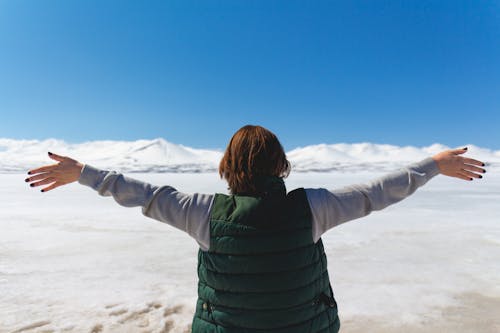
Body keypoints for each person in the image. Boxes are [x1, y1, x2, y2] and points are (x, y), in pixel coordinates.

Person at [26, 125, 486, 333]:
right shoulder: (315, 207)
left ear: (227, 166)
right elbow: (375, 192)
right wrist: (432, 165)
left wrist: (83, 172)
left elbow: (143, 193)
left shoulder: (200, 211)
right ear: (281, 165)